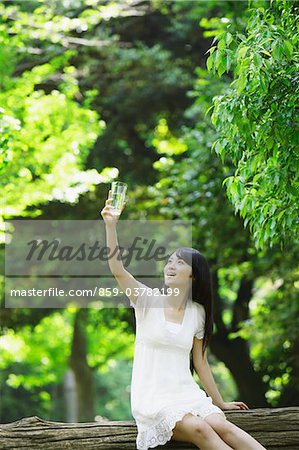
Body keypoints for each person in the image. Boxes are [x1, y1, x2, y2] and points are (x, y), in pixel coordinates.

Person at [100, 190, 267, 450]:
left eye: (179, 263)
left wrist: (219, 402)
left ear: (194, 276)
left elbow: (201, 363)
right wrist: (111, 226)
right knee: (202, 429)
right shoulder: (146, 300)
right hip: (154, 398)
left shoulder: (197, 312)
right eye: (169, 261)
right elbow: (117, 270)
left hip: (187, 394)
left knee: (223, 425)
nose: (171, 266)